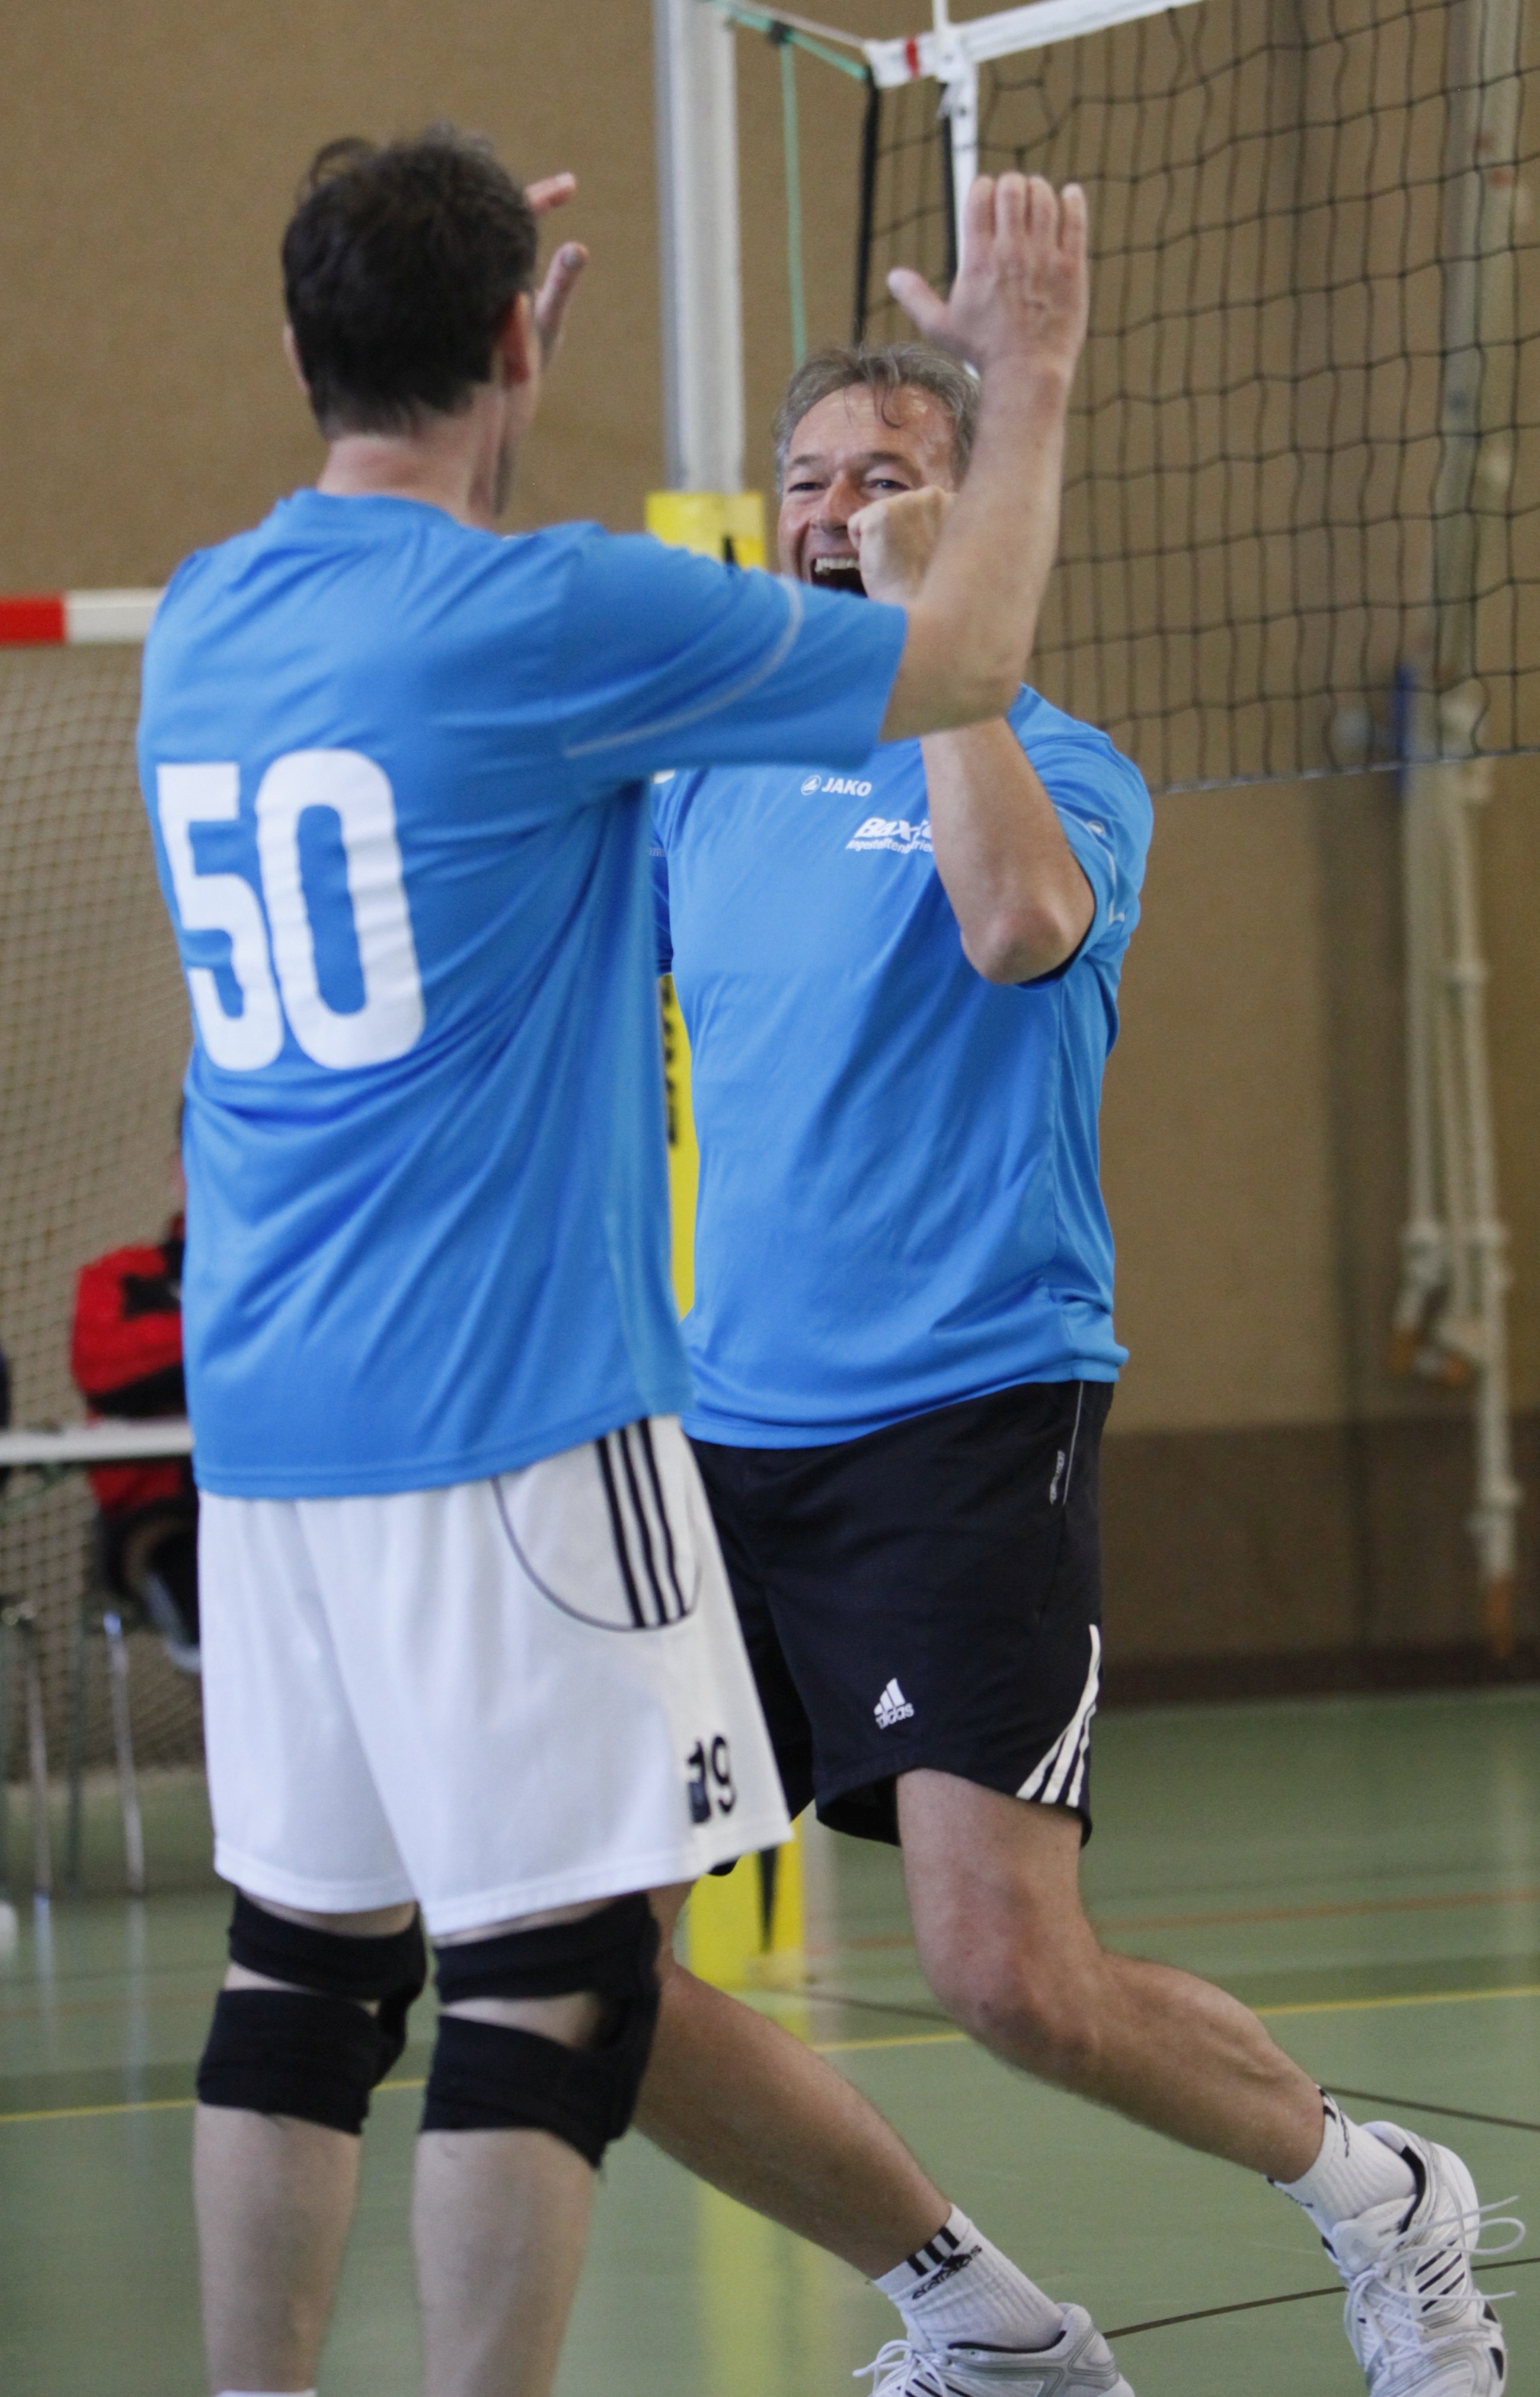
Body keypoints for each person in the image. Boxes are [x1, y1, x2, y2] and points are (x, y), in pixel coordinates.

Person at [136, 130, 1097, 2397]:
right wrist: (1031, 376)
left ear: (292, 344)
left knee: (302, 1973)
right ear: (513, 338)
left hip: (261, 1429)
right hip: (506, 1406)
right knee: (553, 1980)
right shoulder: (552, 615)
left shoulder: (205, 615)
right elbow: (959, 652)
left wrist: (482, 425)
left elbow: (437, 628)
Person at [640, 341, 1518, 2397]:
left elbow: (1017, 923)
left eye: (888, 471)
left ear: (974, 518)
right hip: (715, 1441)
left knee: (1007, 1974)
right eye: (806, 475)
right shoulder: (707, 782)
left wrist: (943, 647)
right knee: (583, 1976)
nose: (836, 505)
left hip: (963, 1421)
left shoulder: (1059, 766)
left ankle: (1381, 2194)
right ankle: (979, 2320)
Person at [71, 1150, 200, 1672]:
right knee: (198, 1579)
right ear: (179, 1171)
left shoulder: (306, 1269)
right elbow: (104, 1369)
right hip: (166, 1517)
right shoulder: (122, 1277)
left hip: (300, 1494)